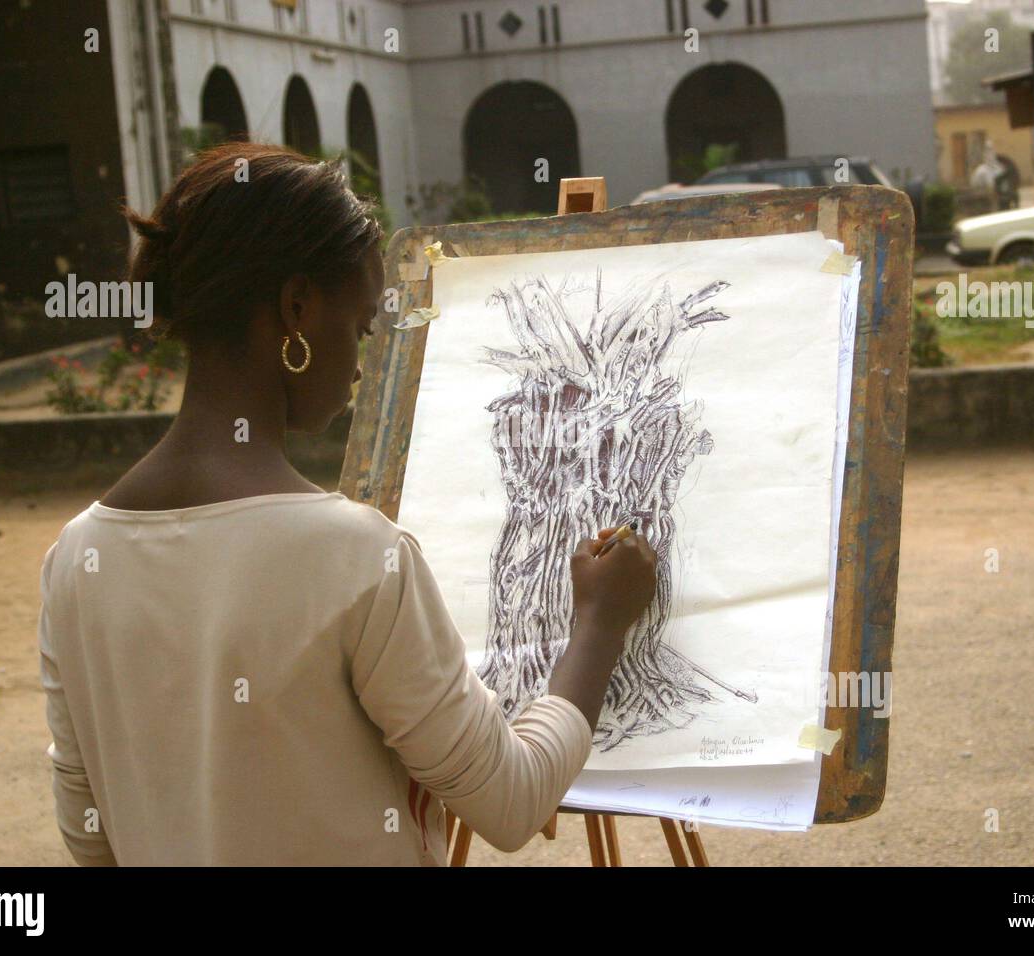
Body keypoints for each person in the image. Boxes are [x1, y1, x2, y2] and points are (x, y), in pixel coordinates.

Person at [37, 143, 658, 866]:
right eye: (361, 327)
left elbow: (89, 838)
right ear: (297, 307)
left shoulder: (76, 559)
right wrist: (599, 624)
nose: (363, 363)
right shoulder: (357, 559)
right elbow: (511, 800)